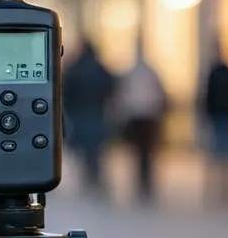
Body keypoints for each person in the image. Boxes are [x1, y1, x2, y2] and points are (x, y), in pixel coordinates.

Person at [62, 42, 115, 196]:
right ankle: (95, 177)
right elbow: (110, 86)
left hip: (81, 113)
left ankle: (89, 178)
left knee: (86, 148)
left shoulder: (75, 68)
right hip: (97, 112)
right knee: (95, 149)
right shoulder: (99, 68)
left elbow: (67, 92)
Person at [117, 57, 166, 204]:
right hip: (145, 117)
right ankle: (144, 184)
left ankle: (144, 184)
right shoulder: (148, 72)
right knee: (144, 154)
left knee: (142, 154)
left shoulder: (135, 72)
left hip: (142, 117)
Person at [201, 44, 228, 203]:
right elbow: (207, 96)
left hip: (226, 116)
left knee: (227, 153)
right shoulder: (214, 73)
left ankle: (226, 186)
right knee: (216, 153)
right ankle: (217, 186)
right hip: (217, 116)